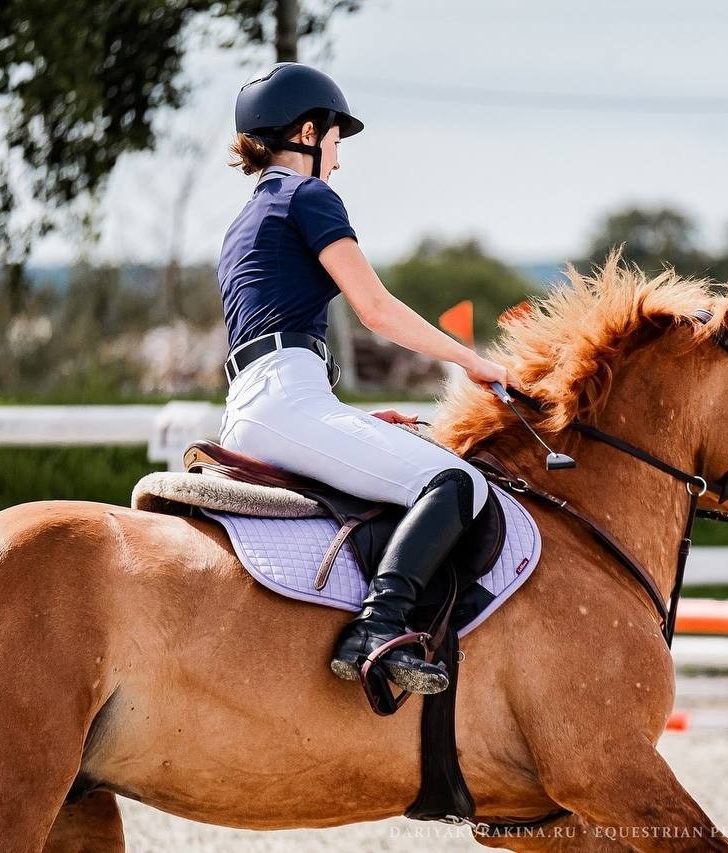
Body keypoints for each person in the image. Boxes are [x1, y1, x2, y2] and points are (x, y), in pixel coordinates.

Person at [217, 62, 514, 696]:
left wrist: (350, 419)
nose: (338, 160)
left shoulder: (245, 219)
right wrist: (475, 362)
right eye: (334, 142)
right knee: (455, 481)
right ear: (305, 132)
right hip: (284, 404)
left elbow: (279, 342)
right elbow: (375, 310)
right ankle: (376, 629)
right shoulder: (310, 196)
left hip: (258, 402)